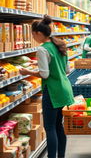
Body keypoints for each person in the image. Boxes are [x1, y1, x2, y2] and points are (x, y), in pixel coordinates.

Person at [19, 15, 74, 158]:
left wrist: (27, 71)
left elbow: (44, 74)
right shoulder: (60, 45)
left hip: (52, 91)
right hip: (64, 89)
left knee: (49, 128)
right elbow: (66, 69)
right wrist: (40, 64)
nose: (33, 37)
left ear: (38, 33)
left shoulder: (42, 49)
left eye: (32, 34)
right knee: (58, 126)